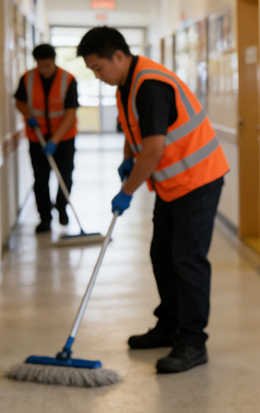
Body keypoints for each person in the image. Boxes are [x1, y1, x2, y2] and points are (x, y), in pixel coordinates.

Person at [77, 26, 229, 374]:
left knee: (187, 259)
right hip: (173, 184)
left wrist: (127, 190)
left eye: (98, 68)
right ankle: (168, 325)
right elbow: (137, 132)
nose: (98, 76)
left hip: (199, 179)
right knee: (161, 254)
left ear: (118, 56)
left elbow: (155, 147)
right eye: (92, 72)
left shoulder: (150, 85)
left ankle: (192, 341)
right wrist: (127, 155)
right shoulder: (125, 84)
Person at [15, 43, 79, 234]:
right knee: (40, 179)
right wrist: (28, 115)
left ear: (54, 62)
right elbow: (20, 102)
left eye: (49, 66)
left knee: (65, 176)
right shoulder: (27, 79)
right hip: (37, 138)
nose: (45, 70)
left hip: (64, 138)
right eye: (42, 66)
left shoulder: (68, 80)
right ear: (36, 63)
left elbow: (70, 114)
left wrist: (55, 140)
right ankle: (45, 217)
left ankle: (62, 208)